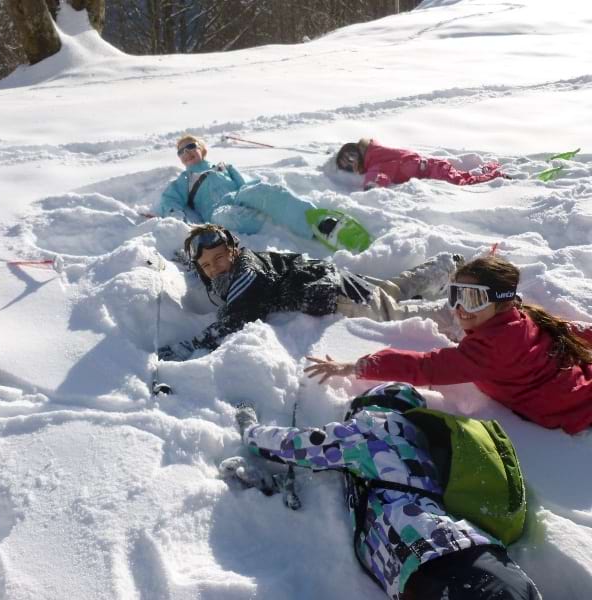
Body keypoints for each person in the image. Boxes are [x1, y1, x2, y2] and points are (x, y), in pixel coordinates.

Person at [222, 382, 541, 600]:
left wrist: (250, 428)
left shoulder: (376, 428)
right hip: (473, 562)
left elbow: (296, 446)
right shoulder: (417, 446)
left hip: (443, 565)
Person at [304, 255, 592, 434]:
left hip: (572, 407)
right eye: (456, 295)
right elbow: (568, 331)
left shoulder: (489, 349)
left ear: (501, 301)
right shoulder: (520, 317)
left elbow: (425, 367)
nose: (460, 308)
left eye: (474, 299)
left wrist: (358, 366)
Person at [157, 224, 460, 361]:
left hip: (336, 296)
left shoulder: (247, 277)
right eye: (206, 265)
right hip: (333, 277)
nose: (215, 268)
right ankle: (443, 265)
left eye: (220, 258)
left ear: (233, 251)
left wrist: (190, 347)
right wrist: (188, 261)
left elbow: (233, 320)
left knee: (392, 311)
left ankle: (458, 315)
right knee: (387, 290)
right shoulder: (238, 264)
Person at [159, 134, 336, 241]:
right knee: (227, 217)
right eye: (181, 151)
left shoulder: (223, 167)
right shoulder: (185, 180)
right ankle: (267, 226)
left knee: (267, 192)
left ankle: (316, 223)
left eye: (190, 146)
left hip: (239, 195)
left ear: (202, 149)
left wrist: (260, 196)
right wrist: (175, 217)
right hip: (217, 210)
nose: (186, 152)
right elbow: (170, 199)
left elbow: (247, 185)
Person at [335, 138, 508, 191]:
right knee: (466, 178)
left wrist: (370, 187)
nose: (351, 163)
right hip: (434, 168)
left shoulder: (376, 159)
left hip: (435, 169)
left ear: (358, 152)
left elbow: (378, 175)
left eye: (351, 157)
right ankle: (490, 169)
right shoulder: (378, 156)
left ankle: (497, 175)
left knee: (464, 183)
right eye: (347, 164)